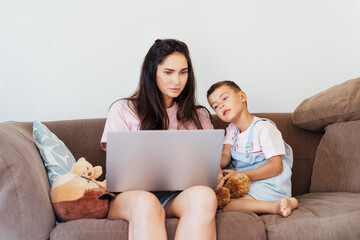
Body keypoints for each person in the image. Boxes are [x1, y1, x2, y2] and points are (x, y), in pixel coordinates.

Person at [101, 39, 217, 240]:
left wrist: (216, 176)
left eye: (183, 72)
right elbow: (117, 169)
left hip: (176, 196)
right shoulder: (122, 109)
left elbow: (208, 167)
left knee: (205, 196)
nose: (177, 81)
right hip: (131, 196)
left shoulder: (198, 116)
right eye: (168, 72)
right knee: (147, 202)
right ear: (152, 72)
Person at [207, 80, 298, 217]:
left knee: (226, 207)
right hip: (247, 186)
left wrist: (241, 176)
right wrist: (208, 162)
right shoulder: (232, 130)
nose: (221, 105)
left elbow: (276, 167)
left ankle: (276, 205)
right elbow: (225, 157)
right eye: (216, 106)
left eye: (224, 98)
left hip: (268, 184)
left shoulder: (263, 128)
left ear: (242, 97)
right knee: (214, 202)